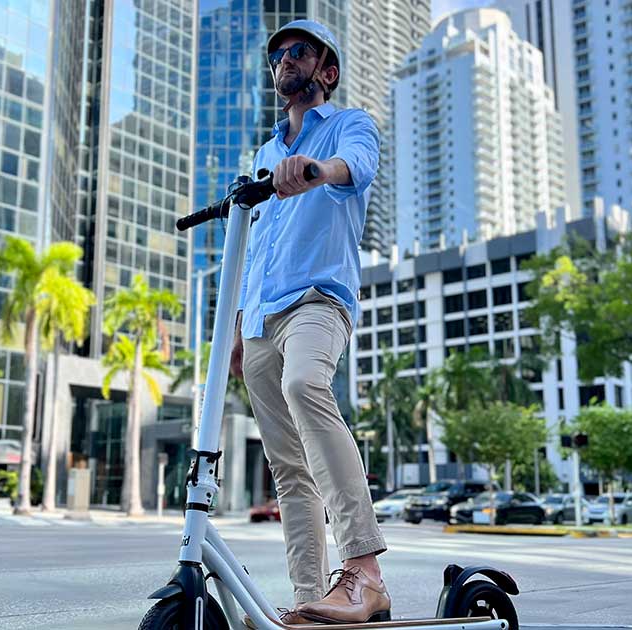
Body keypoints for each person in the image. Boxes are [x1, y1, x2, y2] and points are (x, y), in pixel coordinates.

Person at [233, 20, 388, 626]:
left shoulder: (349, 124)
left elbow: (358, 166)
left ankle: (365, 573)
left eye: (298, 51)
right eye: (276, 55)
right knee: (287, 467)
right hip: (262, 316)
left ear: (326, 71)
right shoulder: (265, 153)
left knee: (306, 386)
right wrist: (243, 323)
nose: (284, 61)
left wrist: (315, 171)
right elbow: (261, 238)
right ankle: (309, 599)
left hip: (319, 299)